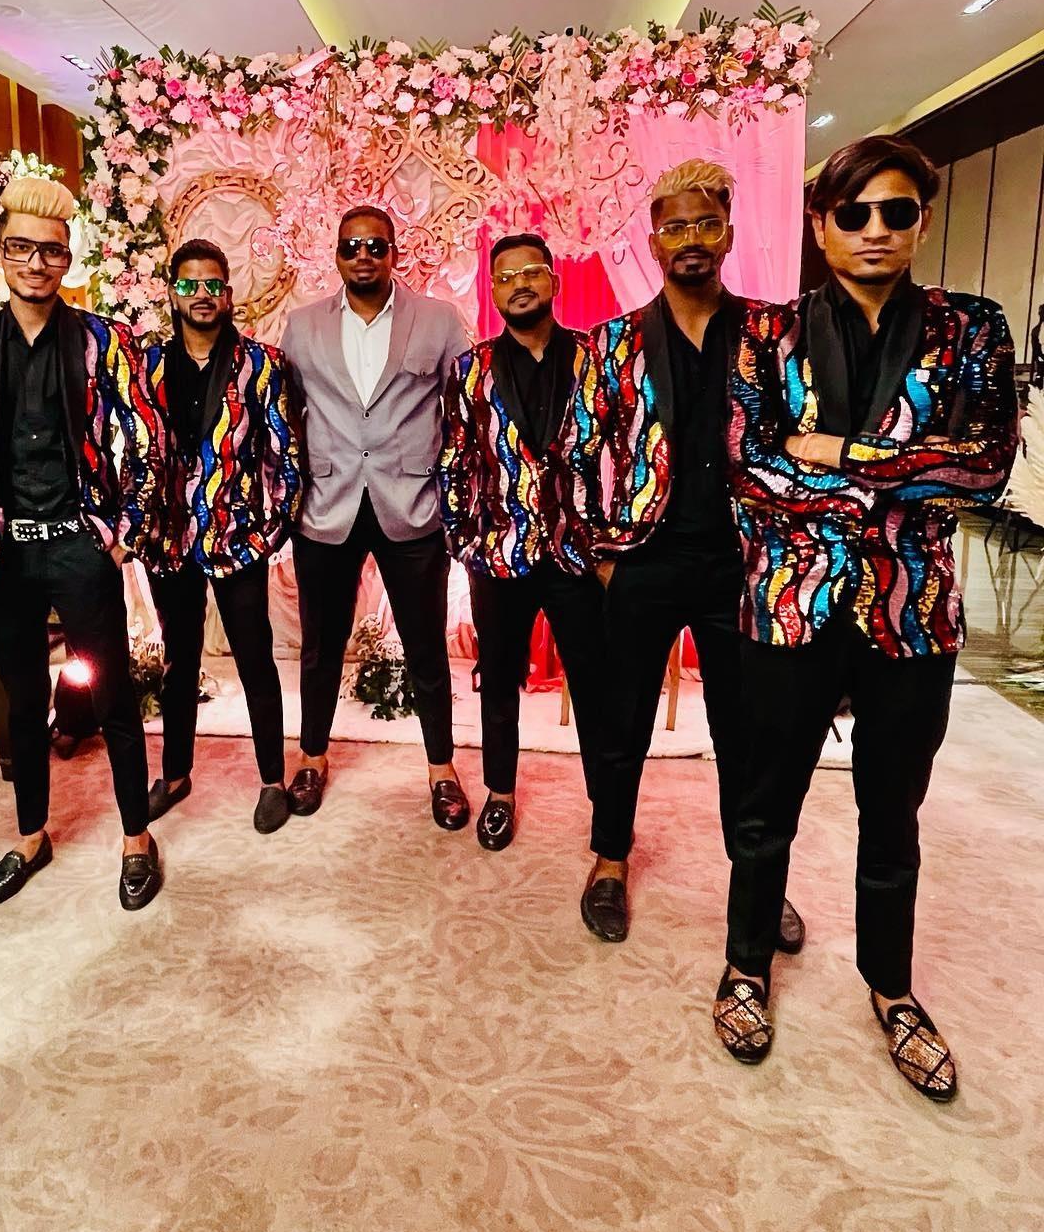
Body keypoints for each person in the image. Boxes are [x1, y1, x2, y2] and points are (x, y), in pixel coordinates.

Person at [716, 135, 1019, 1100]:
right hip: (789, 607)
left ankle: (891, 988)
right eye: (855, 214)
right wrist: (904, 471)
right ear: (821, 225)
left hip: (912, 613)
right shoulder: (765, 334)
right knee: (765, 808)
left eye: (896, 212)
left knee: (894, 813)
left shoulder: (972, 327)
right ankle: (745, 966)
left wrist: (841, 453)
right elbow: (748, 466)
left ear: (921, 221)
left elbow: (984, 467)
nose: (875, 230)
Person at [568, 161, 805, 950]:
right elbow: (575, 454)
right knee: (621, 722)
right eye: (675, 226)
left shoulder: (774, 334)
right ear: (654, 242)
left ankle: (757, 876)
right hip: (643, 562)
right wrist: (603, 555)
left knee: (746, 732)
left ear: (729, 235)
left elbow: (803, 442)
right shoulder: (614, 342)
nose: (691, 238)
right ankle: (609, 859)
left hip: (742, 565)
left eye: (706, 223)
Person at [0, 176, 166, 912]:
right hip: (6, 553)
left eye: (52, 251)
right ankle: (31, 834)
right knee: (23, 702)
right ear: (0, 254)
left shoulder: (105, 341)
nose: (36, 263)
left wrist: (123, 534)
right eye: (21, 248)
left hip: (79, 547)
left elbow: (148, 437)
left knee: (113, 696)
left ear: (69, 259)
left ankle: (136, 837)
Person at [279, 207, 472, 827]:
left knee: (426, 648)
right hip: (326, 506)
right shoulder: (302, 325)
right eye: (351, 246)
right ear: (336, 254)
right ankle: (311, 758)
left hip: (411, 506)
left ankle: (442, 770)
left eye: (375, 245)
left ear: (394, 252)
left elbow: (466, 409)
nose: (363, 255)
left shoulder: (439, 320)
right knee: (320, 647)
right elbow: (288, 412)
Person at [438, 233, 608, 851]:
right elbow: (453, 460)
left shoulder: (595, 359)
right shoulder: (471, 369)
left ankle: (607, 806)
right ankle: (500, 793)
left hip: (578, 556)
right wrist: (465, 541)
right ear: (493, 291)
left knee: (595, 685)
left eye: (531, 272)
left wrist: (611, 545)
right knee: (499, 682)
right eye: (506, 278)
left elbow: (622, 453)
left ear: (554, 282)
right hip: (498, 555)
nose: (520, 285)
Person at [138, 240, 303, 834]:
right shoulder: (147, 367)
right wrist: (138, 526)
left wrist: (267, 534)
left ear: (228, 294)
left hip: (238, 540)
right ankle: (175, 774)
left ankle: (272, 780)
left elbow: (286, 455)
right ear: (172, 293)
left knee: (255, 657)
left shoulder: (262, 365)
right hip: (168, 541)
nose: (202, 295)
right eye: (189, 285)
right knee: (179, 661)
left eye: (212, 284)